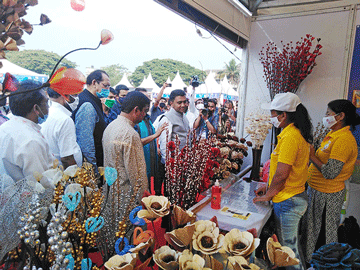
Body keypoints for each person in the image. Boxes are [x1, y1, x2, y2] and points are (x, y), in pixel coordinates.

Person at [253, 92, 313, 270]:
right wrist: (268, 187)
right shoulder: (295, 133)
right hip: (294, 196)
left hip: (289, 200)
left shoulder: (290, 137)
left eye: (272, 113)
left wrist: (269, 195)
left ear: (283, 115)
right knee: (291, 249)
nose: (271, 117)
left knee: (288, 254)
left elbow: (282, 173)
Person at [302, 99, 360, 264]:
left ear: (340, 116)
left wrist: (312, 155)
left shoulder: (343, 140)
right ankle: (311, 262)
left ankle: (322, 264)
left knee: (322, 235)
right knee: (312, 232)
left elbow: (330, 172)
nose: (325, 117)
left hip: (327, 195)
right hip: (318, 191)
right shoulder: (333, 136)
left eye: (328, 114)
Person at [101, 91, 150, 251]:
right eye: (144, 111)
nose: (144, 116)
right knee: (129, 239)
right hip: (127, 196)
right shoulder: (130, 134)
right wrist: (145, 197)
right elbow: (137, 173)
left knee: (114, 235)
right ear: (136, 110)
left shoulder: (110, 127)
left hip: (110, 192)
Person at [0, 80, 54, 181]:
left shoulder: (6, 127)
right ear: (36, 108)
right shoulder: (31, 141)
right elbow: (41, 183)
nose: (48, 107)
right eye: (46, 103)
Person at [72, 70, 110, 171]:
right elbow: (85, 142)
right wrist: (93, 170)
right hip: (91, 168)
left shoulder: (93, 101)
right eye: (105, 85)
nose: (107, 90)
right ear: (94, 83)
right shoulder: (87, 105)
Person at [157, 89, 190, 194]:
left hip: (183, 163)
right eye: (179, 102)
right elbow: (164, 145)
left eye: (184, 102)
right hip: (172, 166)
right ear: (171, 103)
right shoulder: (166, 118)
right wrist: (169, 166)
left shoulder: (184, 117)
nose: (183, 105)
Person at [41, 87, 82, 168]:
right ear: (64, 95)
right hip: (64, 174)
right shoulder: (64, 120)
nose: (77, 99)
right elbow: (67, 158)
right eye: (74, 95)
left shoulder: (47, 113)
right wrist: (75, 177)